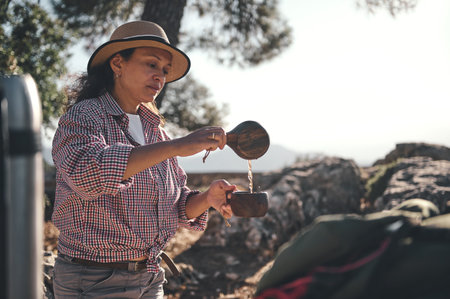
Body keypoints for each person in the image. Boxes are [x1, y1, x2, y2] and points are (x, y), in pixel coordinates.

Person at [51, 20, 237, 298]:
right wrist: (178, 146)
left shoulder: (156, 131)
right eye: (152, 65)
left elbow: (173, 205)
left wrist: (208, 199)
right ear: (117, 64)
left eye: (164, 70)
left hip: (150, 278)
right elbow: (87, 175)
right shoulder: (84, 116)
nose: (160, 77)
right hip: (94, 280)